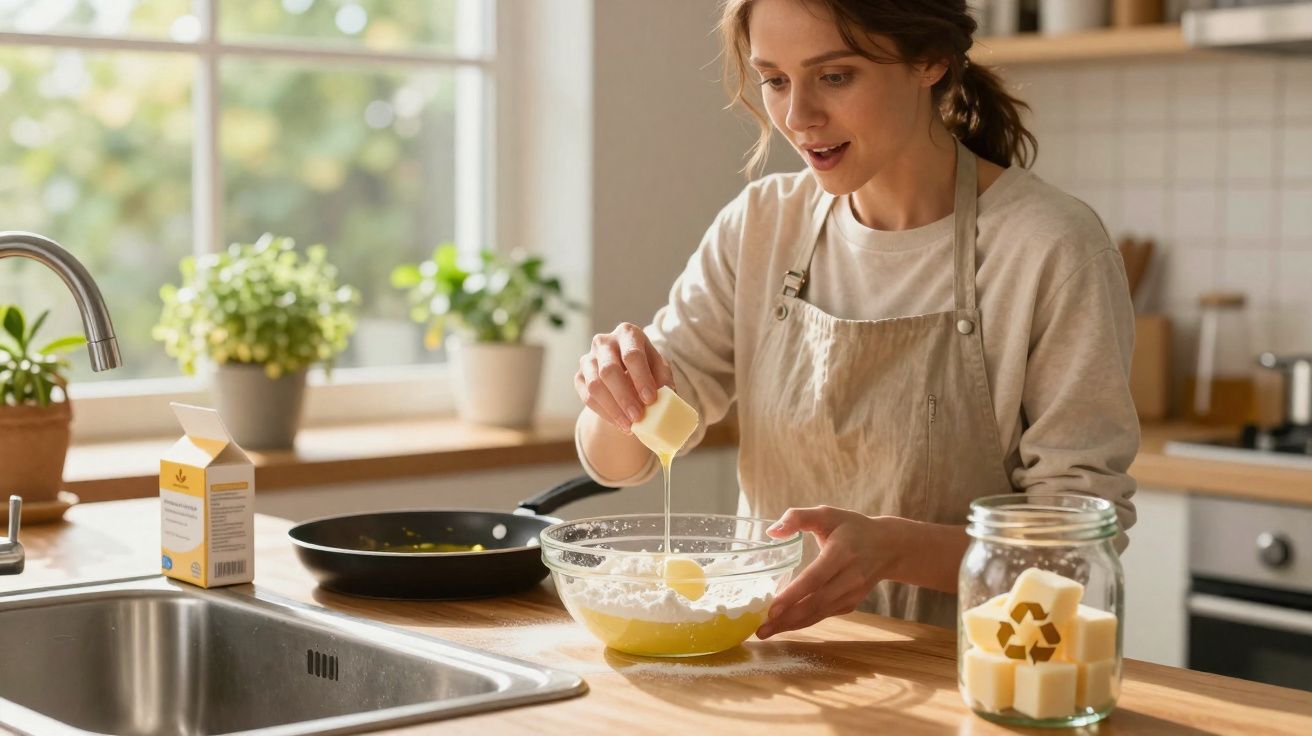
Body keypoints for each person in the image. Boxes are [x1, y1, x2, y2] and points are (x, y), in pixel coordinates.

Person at [572, 0, 1138, 635]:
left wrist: (894, 550)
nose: (797, 116)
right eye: (775, 79)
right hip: (769, 664)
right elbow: (622, 464)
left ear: (930, 60)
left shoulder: (1049, 248)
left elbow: (1077, 550)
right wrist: (615, 393)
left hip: (972, 676)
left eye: (835, 76)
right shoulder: (759, 226)